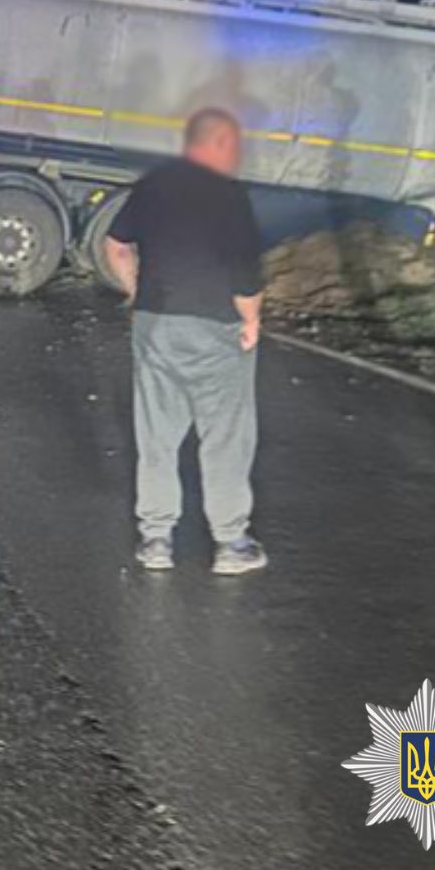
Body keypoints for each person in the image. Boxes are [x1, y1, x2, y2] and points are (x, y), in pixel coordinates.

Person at [101, 108, 268, 574]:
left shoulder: (153, 185)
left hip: (156, 323)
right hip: (216, 326)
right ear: (214, 143)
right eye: (232, 143)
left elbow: (115, 246)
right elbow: (246, 272)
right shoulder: (230, 195)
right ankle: (231, 544)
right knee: (226, 436)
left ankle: (156, 540)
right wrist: (251, 320)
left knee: (156, 433)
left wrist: (138, 291)